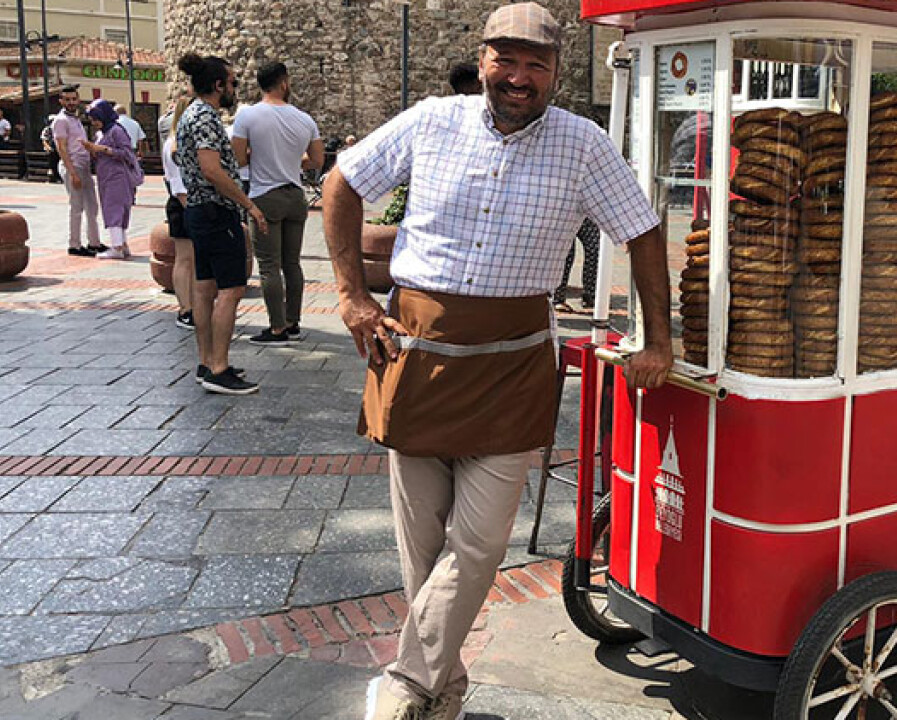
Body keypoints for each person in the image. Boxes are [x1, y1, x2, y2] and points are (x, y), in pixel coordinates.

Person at [322, 4, 672, 719]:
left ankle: (407, 684)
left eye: (536, 64)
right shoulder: (431, 121)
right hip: (415, 357)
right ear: (482, 60)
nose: (519, 77)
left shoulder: (583, 144)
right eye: (505, 60)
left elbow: (642, 230)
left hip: (512, 368)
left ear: (556, 72)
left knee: (479, 544)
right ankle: (443, 692)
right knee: (423, 549)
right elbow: (342, 183)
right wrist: (353, 296)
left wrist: (657, 339)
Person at [175, 52, 268, 396]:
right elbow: (212, 169)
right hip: (216, 212)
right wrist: (249, 205)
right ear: (218, 85)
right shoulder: (206, 117)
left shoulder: (191, 113)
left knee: (204, 289)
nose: (234, 89)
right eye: (232, 82)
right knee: (231, 290)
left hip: (200, 211)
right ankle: (219, 368)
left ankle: (207, 362)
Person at [231, 60, 323, 345]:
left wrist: (260, 156)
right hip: (295, 194)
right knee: (292, 263)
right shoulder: (305, 119)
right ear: (284, 83)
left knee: (269, 265)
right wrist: (293, 161)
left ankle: (277, 328)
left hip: (264, 195)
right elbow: (317, 160)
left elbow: (239, 159)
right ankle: (293, 322)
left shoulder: (248, 116)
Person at [81, 99, 139, 260]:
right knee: (113, 209)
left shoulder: (116, 131)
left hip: (117, 177)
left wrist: (103, 149)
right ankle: (122, 244)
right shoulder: (101, 133)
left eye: (96, 119)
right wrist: (93, 150)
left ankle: (117, 247)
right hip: (106, 177)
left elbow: (127, 153)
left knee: (114, 210)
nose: (94, 123)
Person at [52, 86, 105, 257]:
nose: (71, 102)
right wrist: (73, 173)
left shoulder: (76, 119)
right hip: (73, 166)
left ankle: (94, 242)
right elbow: (61, 148)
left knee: (92, 206)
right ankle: (74, 245)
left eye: (74, 99)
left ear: (78, 99)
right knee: (77, 207)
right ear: (61, 101)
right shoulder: (61, 120)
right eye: (67, 99)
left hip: (84, 166)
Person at [163, 96, 195, 330]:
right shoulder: (176, 143)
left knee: (191, 260)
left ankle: (191, 305)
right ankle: (185, 308)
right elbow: (179, 184)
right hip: (184, 203)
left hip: (187, 202)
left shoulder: (177, 141)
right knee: (184, 259)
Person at [552, 218, 600, 313]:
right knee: (565, 252)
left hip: (587, 214)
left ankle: (592, 295)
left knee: (596, 248)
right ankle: (557, 298)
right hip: (563, 216)